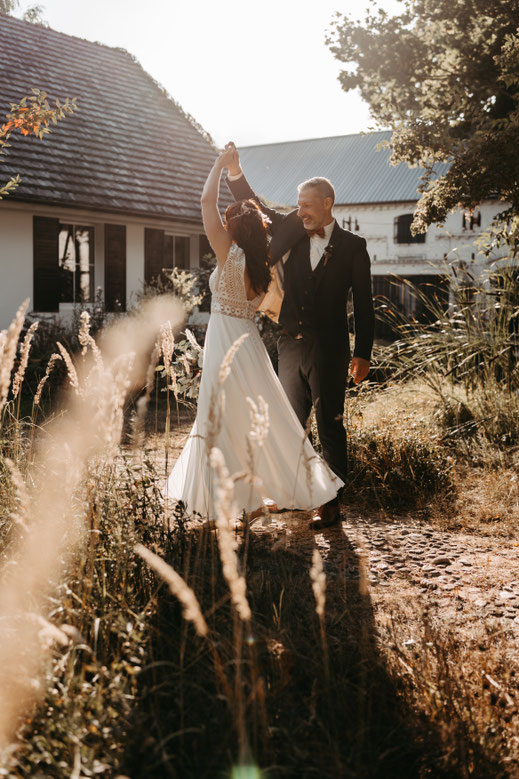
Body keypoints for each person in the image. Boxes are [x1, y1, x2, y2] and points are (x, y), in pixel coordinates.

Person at [166, 147, 343, 524]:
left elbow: (205, 200)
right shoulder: (264, 265)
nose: (223, 225)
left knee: (221, 417)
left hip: (224, 342)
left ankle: (239, 503)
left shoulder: (228, 254)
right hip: (249, 344)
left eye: (228, 223)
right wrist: (236, 173)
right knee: (262, 418)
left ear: (232, 229)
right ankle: (251, 502)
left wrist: (217, 164)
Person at [224, 142, 375, 529]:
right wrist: (236, 172)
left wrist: (363, 354)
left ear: (327, 203)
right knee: (289, 422)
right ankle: (293, 493)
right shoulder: (292, 226)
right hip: (289, 342)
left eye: (307, 204)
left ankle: (331, 502)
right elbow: (254, 204)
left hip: (331, 348)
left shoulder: (355, 247)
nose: (301, 211)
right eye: (298, 204)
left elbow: (363, 305)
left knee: (330, 422)